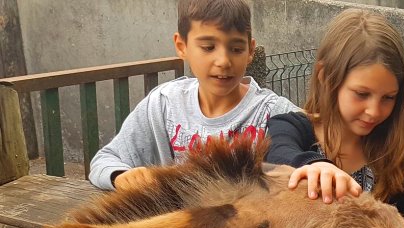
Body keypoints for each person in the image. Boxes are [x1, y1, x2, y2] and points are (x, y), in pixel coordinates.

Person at [265, 9, 404, 228]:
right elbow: (277, 149)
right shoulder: (291, 127)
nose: (374, 111)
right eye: (362, 94)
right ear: (326, 76)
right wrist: (314, 165)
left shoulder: (394, 160)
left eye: (388, 98)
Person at [88, 0, 297, 191]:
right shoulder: (163, 104)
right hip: (178, 227)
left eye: (236, 48)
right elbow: (105, 160)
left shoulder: (275, 113)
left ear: (250, 51)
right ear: (182, 46)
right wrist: (122, 176)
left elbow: (319, 149)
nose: (223, 61)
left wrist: (316, 166)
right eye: (208, 47)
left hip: (244, 227)